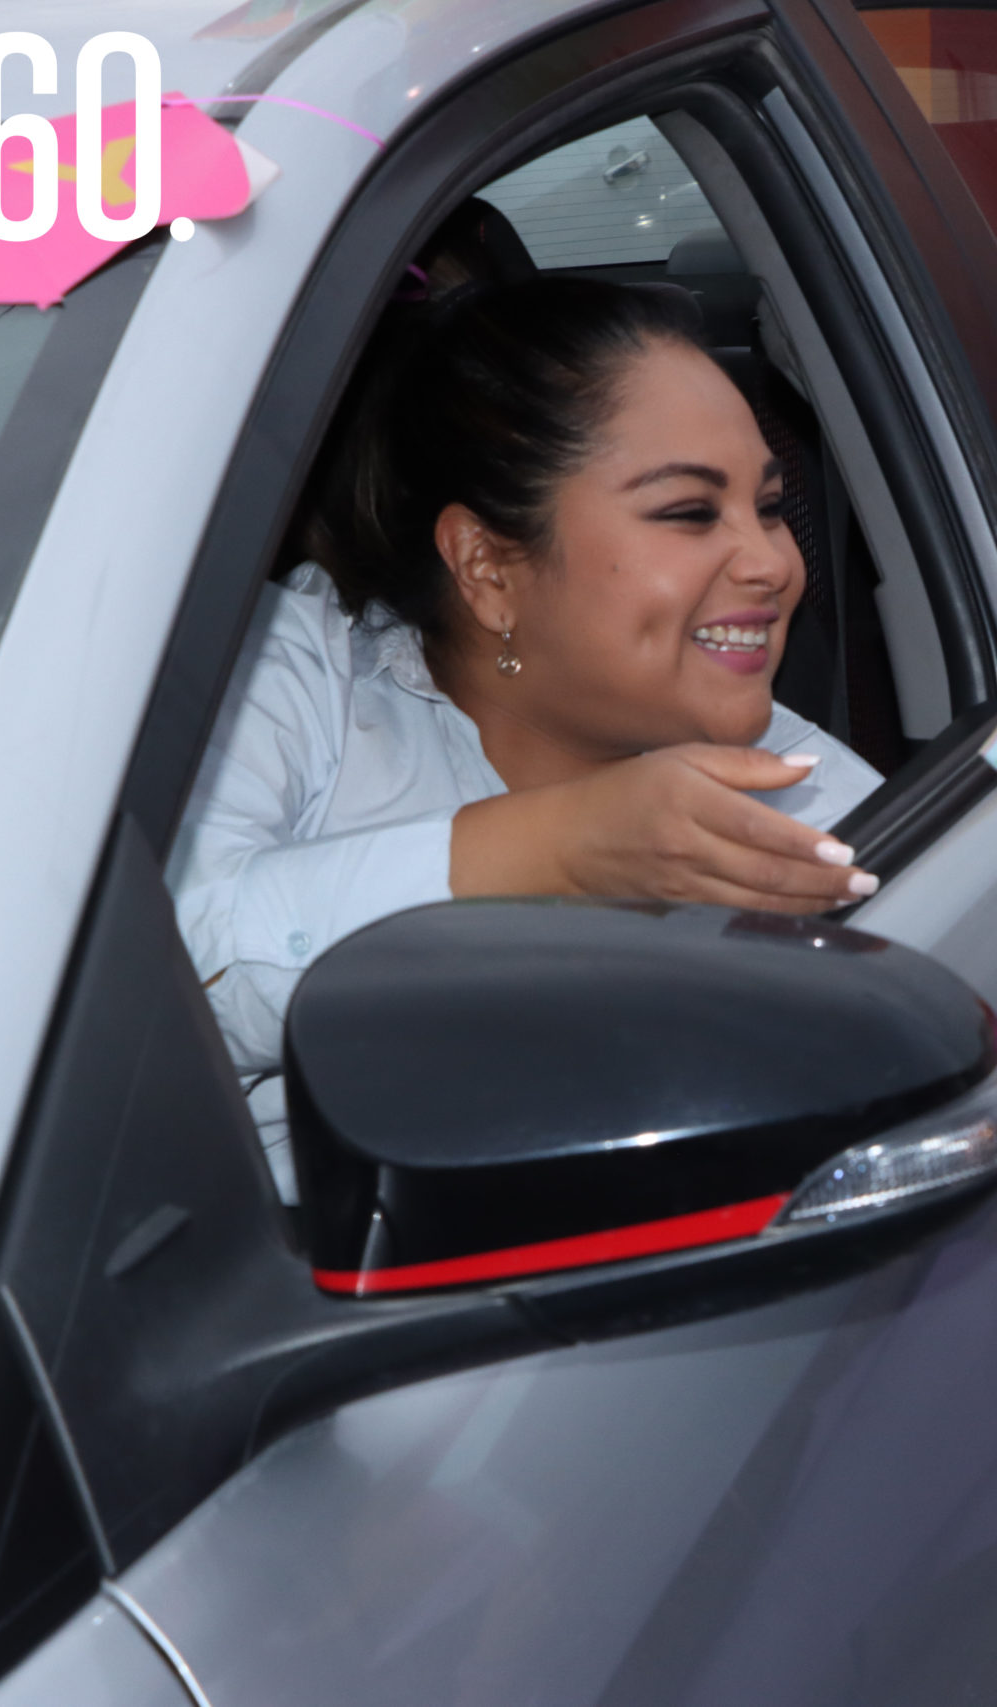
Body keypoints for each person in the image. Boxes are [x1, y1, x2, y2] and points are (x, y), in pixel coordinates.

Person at [172, 275, 882, 1197]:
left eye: (772, 506)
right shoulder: (296, 673)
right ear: (488, 566)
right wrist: (566, 849)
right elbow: (158, 972)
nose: (773, 563)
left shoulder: (797, 784)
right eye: (689, 512)